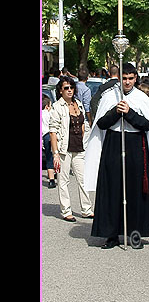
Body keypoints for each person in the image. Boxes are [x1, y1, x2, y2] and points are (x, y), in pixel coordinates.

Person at [84, 63, 149, 249]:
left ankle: (135, 234)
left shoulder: (142, 97)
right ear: (119, 78)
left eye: (130, 78)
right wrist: (115, 112)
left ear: (135, 78)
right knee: (112, 189)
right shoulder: (109, 96)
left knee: (135, 191)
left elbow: (147, 125)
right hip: (113, 144)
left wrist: (129, 113)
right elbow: (101, 124)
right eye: (124, 78)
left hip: (135, 146)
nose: (127, 82)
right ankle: (111, 234)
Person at [48, 76, 94, 222]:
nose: (69, 90)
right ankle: (66, 210)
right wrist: (55, 153)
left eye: (71, 87)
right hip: (64, 148)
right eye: (66, 88)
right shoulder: (57, 106)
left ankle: (86, 209)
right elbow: (53, 131)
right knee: (63, 180)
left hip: (79, 147)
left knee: (83, 179)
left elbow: (82, 124)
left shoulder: (78, 104)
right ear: (60, 91)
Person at [42, 96, 56, 188]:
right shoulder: (50, 113)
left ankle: (51, 180)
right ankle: (54, 176)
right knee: (53, 155)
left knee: (48, 157)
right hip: (51, 135)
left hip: (44, 136)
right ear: (47, 106)